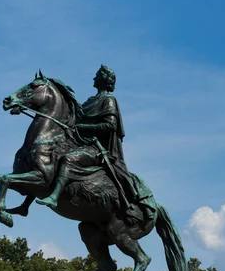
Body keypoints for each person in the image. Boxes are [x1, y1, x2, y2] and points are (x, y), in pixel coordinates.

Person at [36, 65, 153, 223]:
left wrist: (84, 128)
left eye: (97, 76)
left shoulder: (108, 100)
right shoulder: (89, 101)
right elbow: (71, 121)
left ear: (104, 80)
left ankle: (54, 196)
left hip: (98, 148)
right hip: (84, 144)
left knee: (68, 159)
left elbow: (110, 125)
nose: (94, 78)